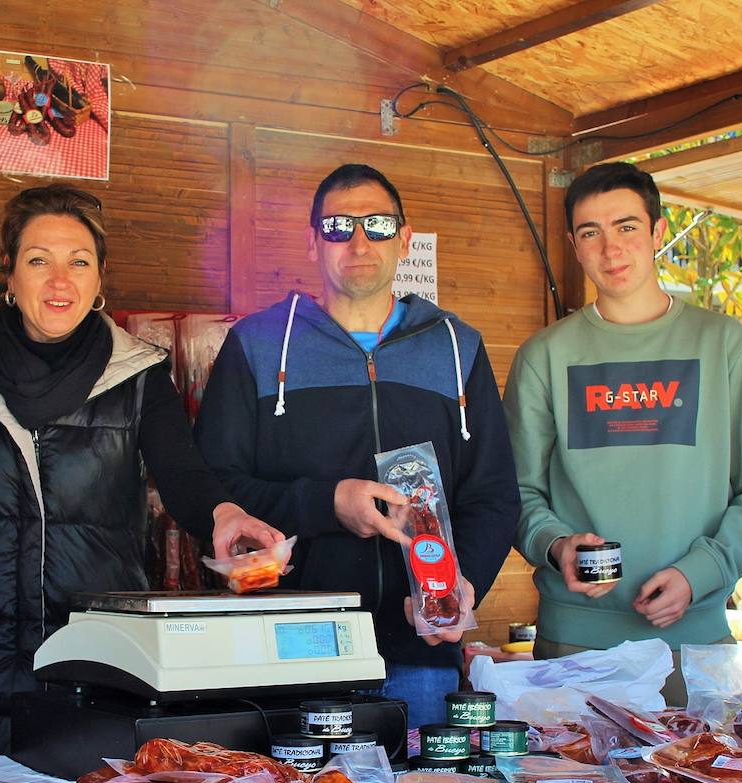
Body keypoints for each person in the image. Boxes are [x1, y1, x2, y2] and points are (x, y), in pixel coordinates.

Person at [0, 184, 281, 754]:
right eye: (39, 261)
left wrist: (225, 516)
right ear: (9, 276)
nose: (60, 281)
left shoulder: (139, 374)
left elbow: (183, 475)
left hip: (95, 660)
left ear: (99, 278)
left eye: (78, 262)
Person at [194, 163, 520, 729]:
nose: (359, 241)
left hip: (420, 651)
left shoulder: (456, 347)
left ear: (405, 238)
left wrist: (465, 585)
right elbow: (213, 486)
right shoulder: (258, 343)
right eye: (339, 226)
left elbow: (492, 493)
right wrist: (327, 504)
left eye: (377, 224)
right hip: (290, 645)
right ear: (313, 241)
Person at [503, 162, 742, 700]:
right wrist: (554, 545)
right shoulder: (544, 357)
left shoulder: (724, 344)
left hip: (696, 643)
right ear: (574, 244)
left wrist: (702, 572)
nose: (610, 249)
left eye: (626, 227)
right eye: (591, 233)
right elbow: (515, 491)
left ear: (658, 232)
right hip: (576, 645)